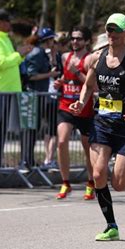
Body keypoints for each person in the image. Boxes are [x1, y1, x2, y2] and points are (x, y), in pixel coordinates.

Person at [70, 13, 125, 241]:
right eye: (109, 30)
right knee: (98, 174)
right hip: (102, 124)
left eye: (117, 30)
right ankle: (111, 226)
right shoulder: (96, 58)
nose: (112, 34)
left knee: (119, 183)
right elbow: (88, 87)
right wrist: (81, 102)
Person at [0, 9, 33, 170]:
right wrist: (19, 54)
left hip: (6, 90)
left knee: (0, 129)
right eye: (6, 21)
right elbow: (2, 63)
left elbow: (11, 62)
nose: (9, 24)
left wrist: (22, 54)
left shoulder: (4, 39)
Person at [54, 25, 96, 200]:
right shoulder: (65, 56)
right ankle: (65, 182)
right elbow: (66, 77)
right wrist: (60, 82)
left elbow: (92, 84)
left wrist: (77, 72)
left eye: (78, 38)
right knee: (62, 141)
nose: (75, 41)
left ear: (86, 41)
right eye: (73, 38)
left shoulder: (89, 59)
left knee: (88, 148)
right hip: (66, 105)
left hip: (84, 108)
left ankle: (91, 182)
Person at [20, 27, 60, 172]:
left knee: (34, 129)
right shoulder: (37, 53)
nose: (54, 42)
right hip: (33, 94)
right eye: (52, 40)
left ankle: (29, 160)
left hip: (38, 94)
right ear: (47, 40)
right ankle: (26, 161)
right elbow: (31, 76)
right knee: (30, 129)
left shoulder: (42, 52)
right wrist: (50, 74)